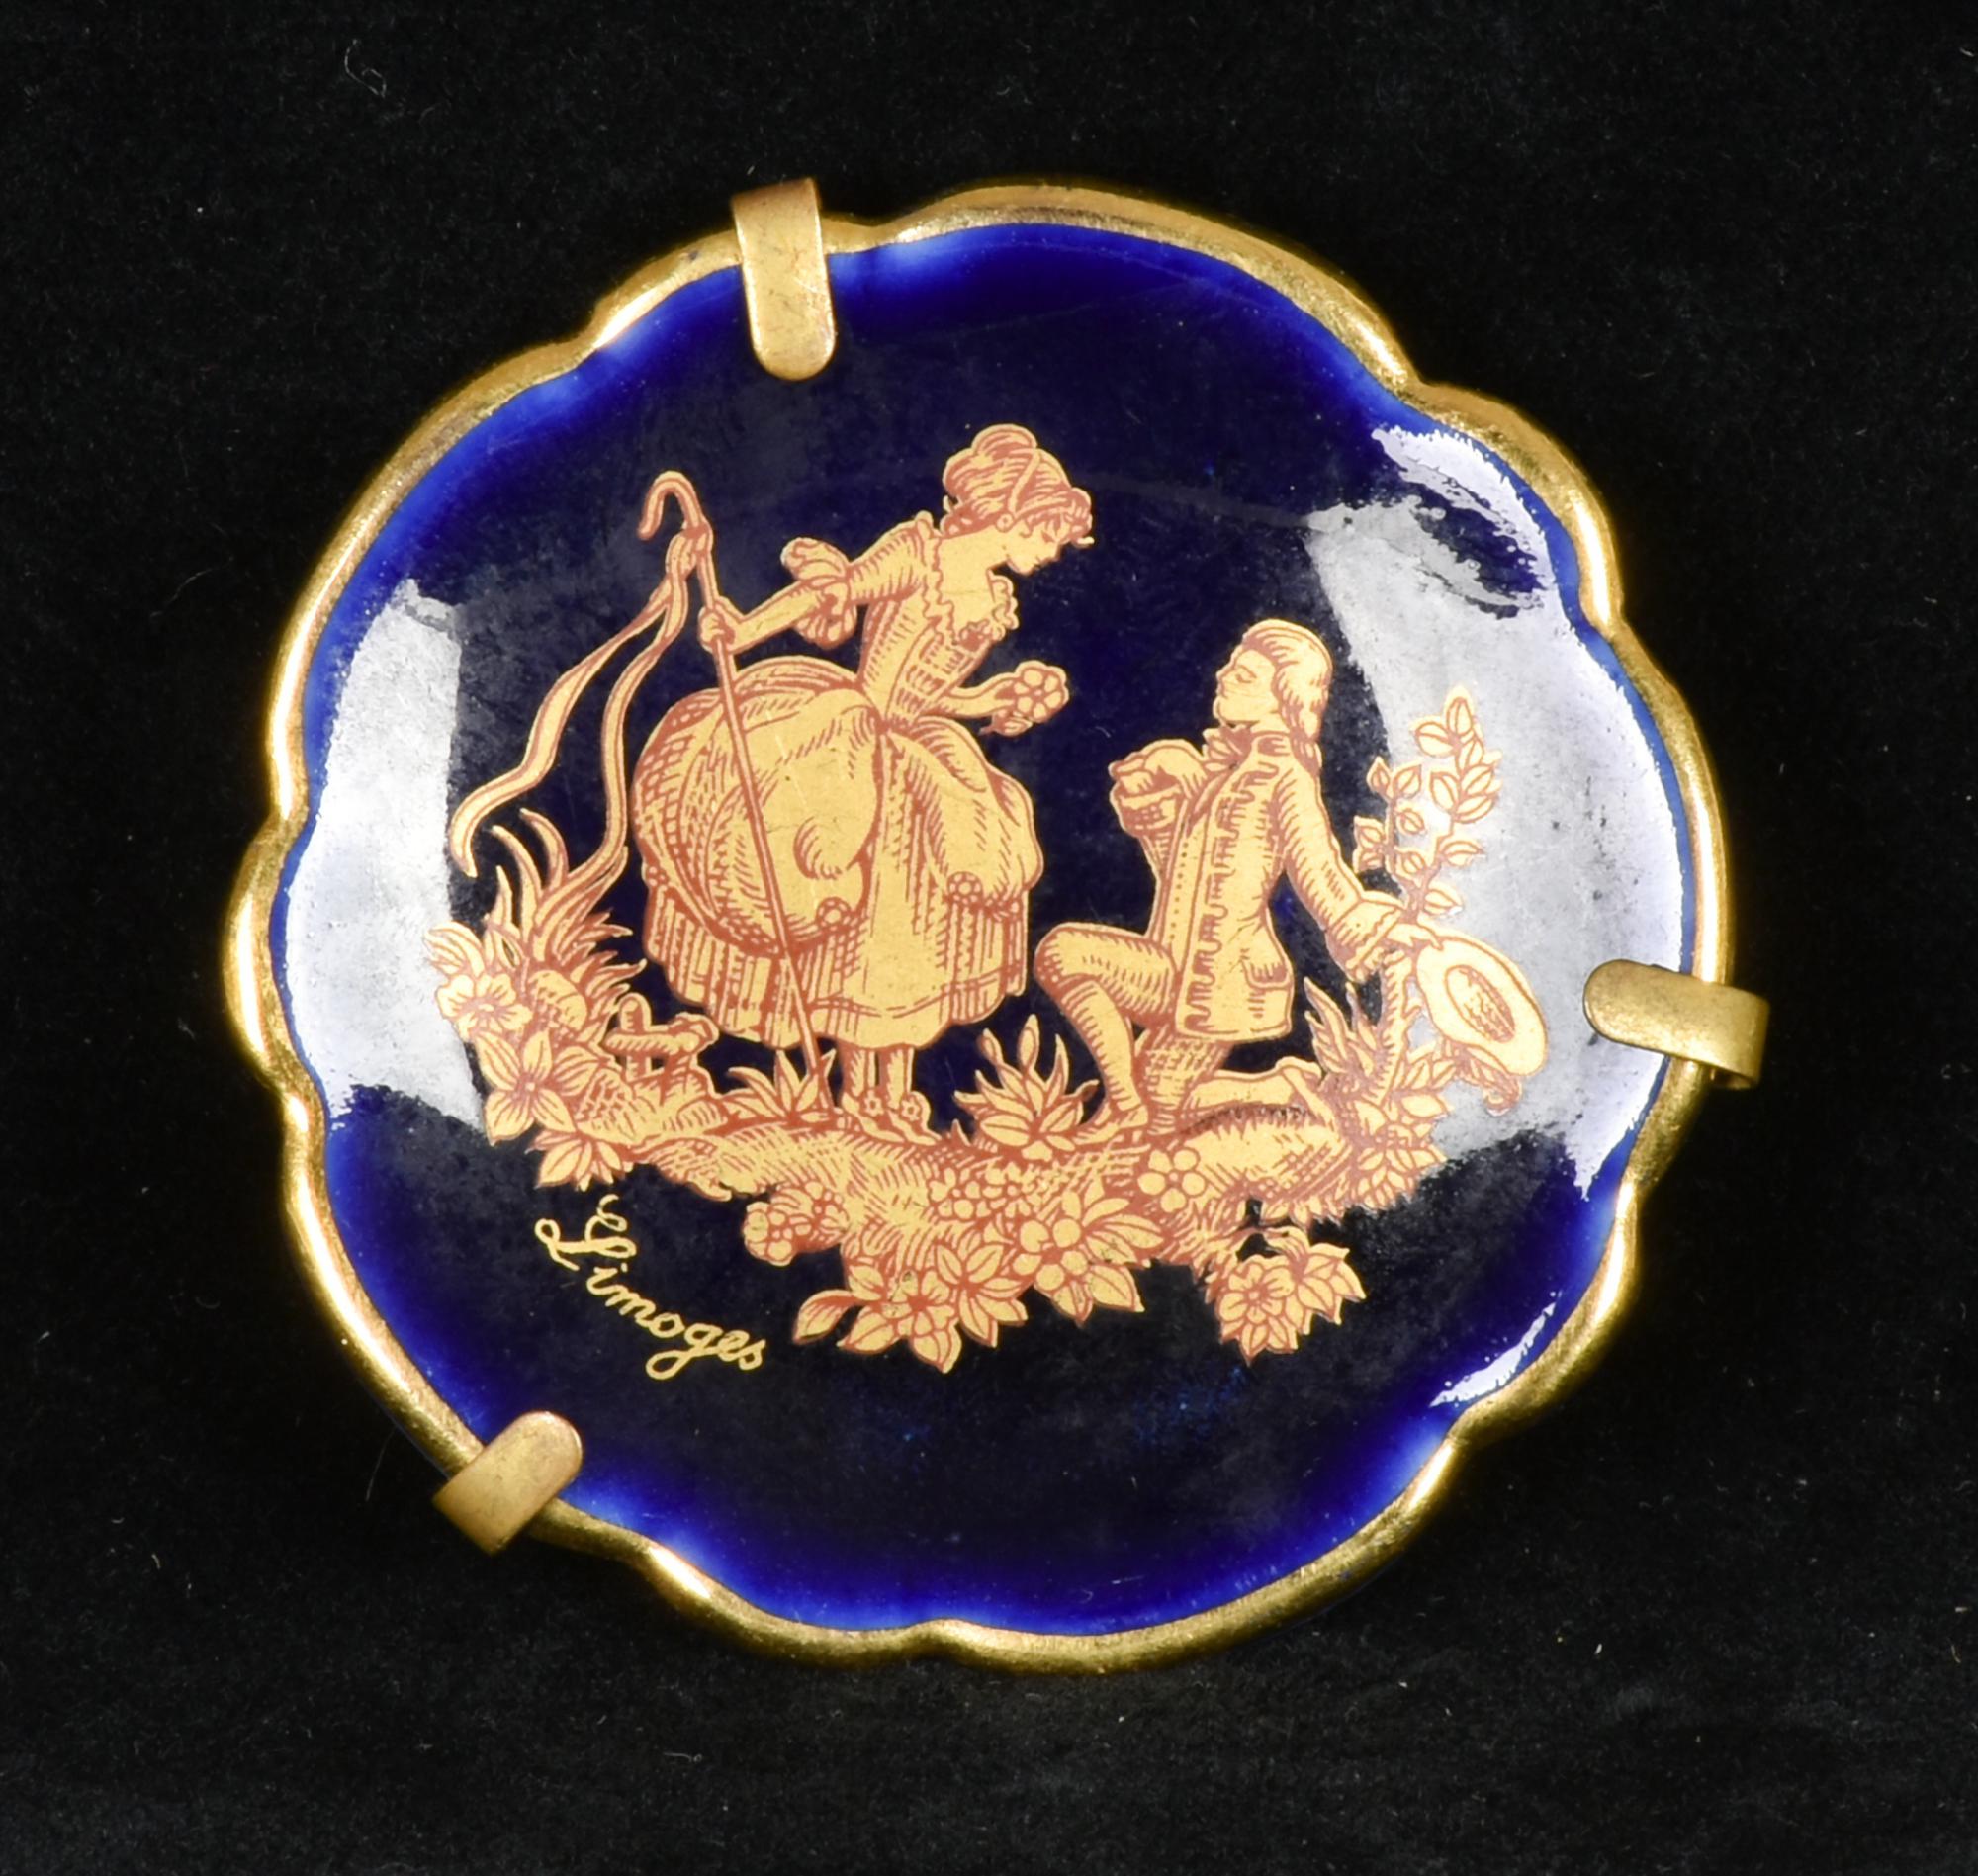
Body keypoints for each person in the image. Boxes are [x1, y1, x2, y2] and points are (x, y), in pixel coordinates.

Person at [632, 424, 1093, 1122]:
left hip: (925, 751)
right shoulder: (918, 555)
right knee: (856, 924)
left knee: (912, 933)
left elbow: (936, 695)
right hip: (854, 741)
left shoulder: (991, 595)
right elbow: (831, 590)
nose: (1053, 552)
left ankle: (894, 1097)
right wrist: (744, 630)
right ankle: (855, 1096)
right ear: (1014, 515)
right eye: (1050, 534)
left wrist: (990, 700)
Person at [1036, 619, 1419, 1131]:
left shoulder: (1286, 777)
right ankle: (1262, 1088)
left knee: (1156, 1107)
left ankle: (1135, 1105)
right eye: (1232, 667)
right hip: (1172, 968)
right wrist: (1157, 807)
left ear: (1283, 696)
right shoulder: (1224, 775)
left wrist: (1363, 923)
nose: (1223, 676)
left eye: (1243, 674)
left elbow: (1317, 868)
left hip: (1224, 980)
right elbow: (1180, 881)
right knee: (1064, 959)